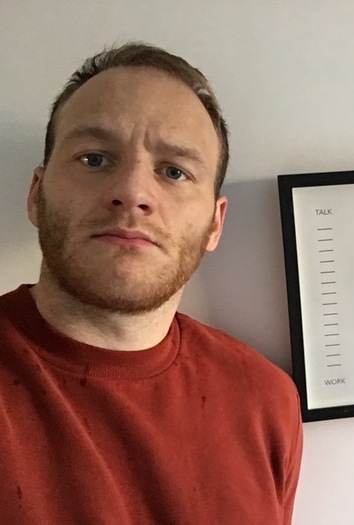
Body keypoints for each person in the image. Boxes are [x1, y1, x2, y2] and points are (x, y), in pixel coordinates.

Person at [0, 43, 303, 524]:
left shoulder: (266, 401)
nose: (133, 192)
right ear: (37, 195)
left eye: (174, 171)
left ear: (215, 224)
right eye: (94, 159)